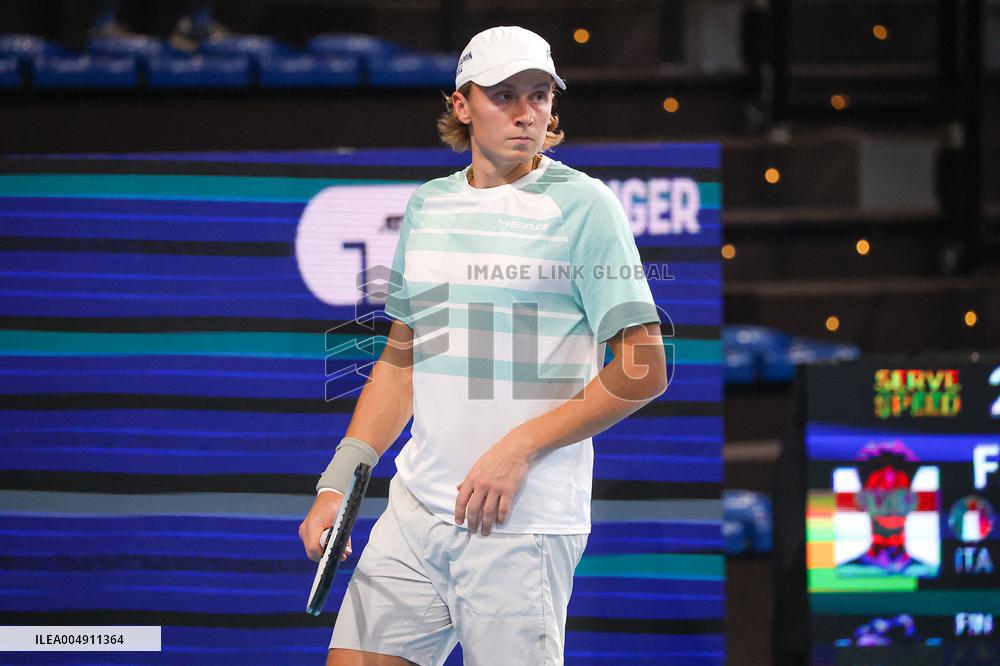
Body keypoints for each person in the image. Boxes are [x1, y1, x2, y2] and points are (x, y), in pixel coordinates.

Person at [299, 25, 667, 666]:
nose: (527, 113)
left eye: (540, 95)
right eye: (504, 95)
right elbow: (401, 360)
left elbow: (643, 367)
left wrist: (518, 448)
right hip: (415, 513)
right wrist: (339, 482)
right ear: (461, 105)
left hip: (518, 526)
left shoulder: (586, 207)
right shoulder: (428, 206)